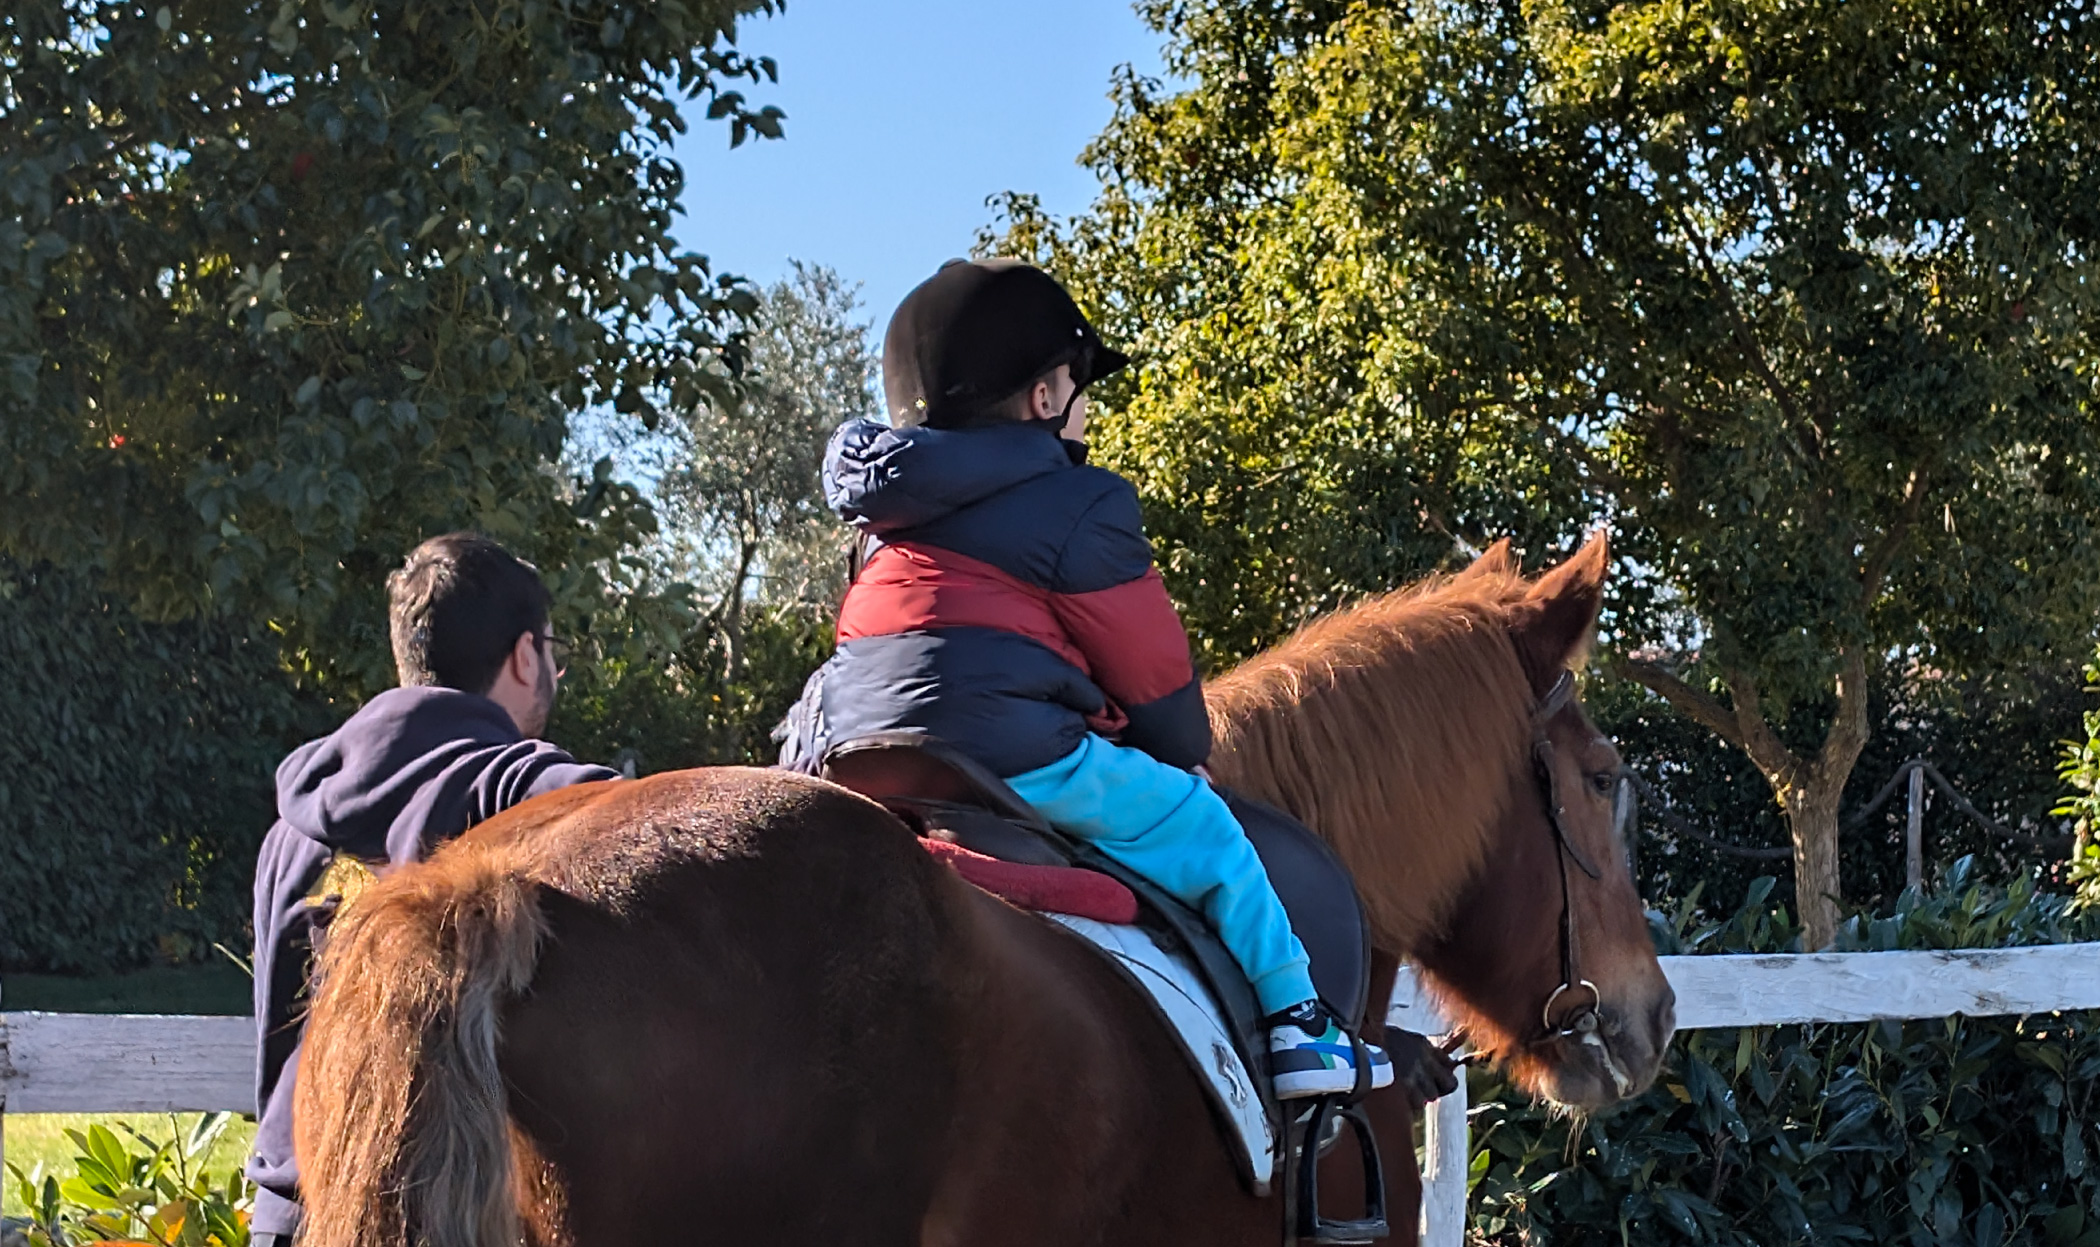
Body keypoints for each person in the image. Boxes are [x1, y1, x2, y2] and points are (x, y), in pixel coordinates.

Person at [779, 259, 1394, 1099]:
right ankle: (1300, 1028)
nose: (1085, 404)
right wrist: (1176, 751)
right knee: (1208, 833)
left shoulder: (881, 523)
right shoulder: (1081, 504)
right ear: (1044, 398)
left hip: (854, 754)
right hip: (1009, 759)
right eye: (1079, 382)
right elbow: (1159, 687)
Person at [245, 533, 619, 1247]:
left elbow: (271, 1039)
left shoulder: (289, 829)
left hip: (293, 1210)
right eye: (552, 649)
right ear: (523, 654)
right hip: (444, 1217)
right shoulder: (527, 797)